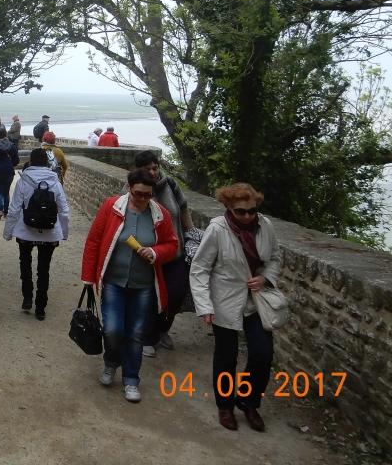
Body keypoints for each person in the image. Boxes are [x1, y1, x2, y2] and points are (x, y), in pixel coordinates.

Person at [81, 167, 178, 403]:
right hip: (113, 281)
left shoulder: (160, 215)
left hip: (143, 285)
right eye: (138, 194)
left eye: (148, 195)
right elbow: (94, 240)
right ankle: (111, 362)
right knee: (113, 329)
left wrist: (155, 252)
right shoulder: (112, 207)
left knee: (135, 333)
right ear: (129, 188)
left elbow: (172, 245)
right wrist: (88, 277)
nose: (143, 199)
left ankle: (132, 379)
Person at [190, 182, 280, 432]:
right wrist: (205, 305)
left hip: (256, 300)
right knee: (226, 357)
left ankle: (248, 402)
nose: (247, 216)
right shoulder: (217, 229)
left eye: (251, 211)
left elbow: (274, 258)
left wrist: (265, 278)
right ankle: (225, 406)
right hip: (225, 301)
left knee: (262, 354)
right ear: (228, 207)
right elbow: (199, 269)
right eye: (241, 211)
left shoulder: (266, 226)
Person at [133, 150, 193, 357]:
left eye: (155, 167)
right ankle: (147, 337)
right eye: (147, 169)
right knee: (149, 296)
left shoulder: (170, 185)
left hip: (175, 251)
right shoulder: (133, 187)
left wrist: (190, 233)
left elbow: (183, 209)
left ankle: (162, 329)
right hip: (147, 255)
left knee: (176, 293)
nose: (153, 172)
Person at [3, 148, 70, 320]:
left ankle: (27, 297)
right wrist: (64, 232)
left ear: (31, 162)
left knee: (25, 264)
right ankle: (41, 307)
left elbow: (14, 209)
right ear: (47, 163)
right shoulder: (55, 182)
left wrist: (8, 232)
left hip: (26, 231)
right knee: (44, 269)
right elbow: (63, 210)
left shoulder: (23, 181)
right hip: (49, 232)